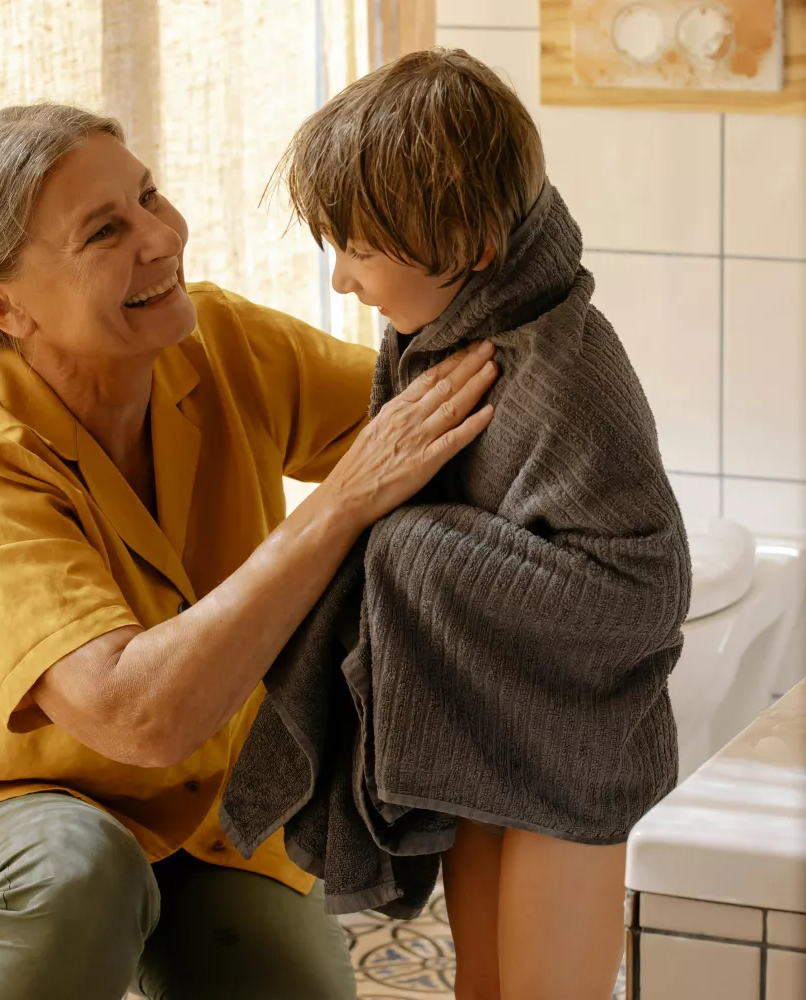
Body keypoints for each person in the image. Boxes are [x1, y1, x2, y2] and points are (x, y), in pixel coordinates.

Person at [0, 102, 498, 1000]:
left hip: (206, 822)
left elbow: (440, 418)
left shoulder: (220, 342)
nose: (161, 238)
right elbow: (130, 714)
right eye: (106, 230)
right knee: (78, 876)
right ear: (0, 304)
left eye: (149, 196)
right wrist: (339, 507)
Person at [252, 49, 690, 1000]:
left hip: (575, 751)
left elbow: (649, 591)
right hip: (489, 718)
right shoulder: (447, 334)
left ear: (474, 247)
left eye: (359, 250)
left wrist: (407, 548)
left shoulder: (564, 367)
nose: (340, 281)